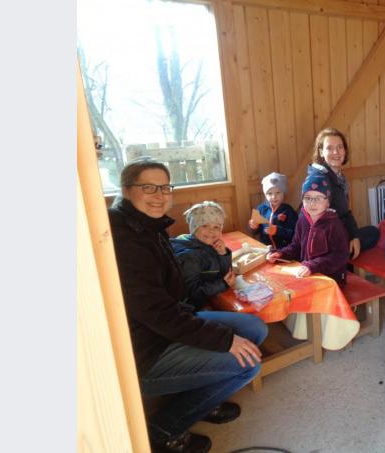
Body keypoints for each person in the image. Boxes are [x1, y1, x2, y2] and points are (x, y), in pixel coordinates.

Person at [108, 158, 268, 453]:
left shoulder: (148, 227)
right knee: (248, 364)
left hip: (168, 325)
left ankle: (201, 397)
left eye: (165, 187)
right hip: (144, 352)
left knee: (254, 327)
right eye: (149, 187)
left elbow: (177, 295)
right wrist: (223, 340)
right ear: (127, 190)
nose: (159, 195)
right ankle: (163, 430)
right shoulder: (125, 240)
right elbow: (158, 314)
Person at [266, 172, 350, 286]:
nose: (312, 203)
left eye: (318, 198)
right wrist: (282, 254)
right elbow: (296, 246)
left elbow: (340, 256)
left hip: (331, 280)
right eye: (308, 198)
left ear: (328, 202)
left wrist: (313, 266)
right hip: (307, 274)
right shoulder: (302, 220)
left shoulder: (334, 225)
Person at [307, 127, 379, 259]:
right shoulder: (319, 180)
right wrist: (348, 238)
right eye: (329, 148)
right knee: (373, 233)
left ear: (345, 151)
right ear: (321, 152)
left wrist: (354, 236)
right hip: (325, 244)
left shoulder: (339, 177)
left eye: (340, 147)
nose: (336, 152)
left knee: (373, 232)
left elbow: (345, 212)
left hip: (340, 233)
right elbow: (318, 224)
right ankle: (342, 256)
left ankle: (347, 252)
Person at [170, 201, 236, 311]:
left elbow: (224, 273)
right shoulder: (189, 255)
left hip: (209, 295)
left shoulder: (207, 244)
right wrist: (223, 284)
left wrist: (222, 254)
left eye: (216, 227)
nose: (211, 230)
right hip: (191, 308)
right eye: (205, 225)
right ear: (194, 228)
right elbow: (193, 293)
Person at [249, 172, 297, 249]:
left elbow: (294, 233)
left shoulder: (288, 211)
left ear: (283, 193)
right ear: (265, 195)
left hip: (283, 250)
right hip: (265, 249)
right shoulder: (260, 209)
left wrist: (277, 231)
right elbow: (253, 232)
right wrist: (253, 227)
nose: (274, 196)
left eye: (278, 192)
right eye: (269, 193)